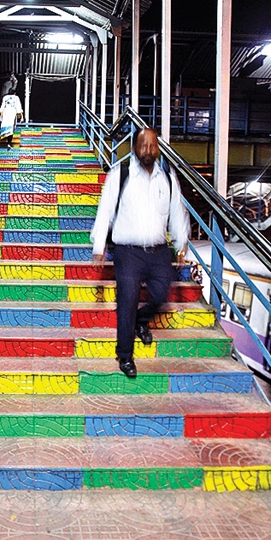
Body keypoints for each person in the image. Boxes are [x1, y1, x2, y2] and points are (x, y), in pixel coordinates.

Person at [90, 128, 190, 378]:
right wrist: (99, 244)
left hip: (158, 251)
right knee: (127, 301)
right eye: (143, 145)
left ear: (158, 148)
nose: (148, 150)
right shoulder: (121, 174)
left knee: (160, 294)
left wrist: (181, 243)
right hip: (128, 252)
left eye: (153, 145)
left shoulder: (167, 176)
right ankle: (125, 355)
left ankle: (140, 320)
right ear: (135, 147)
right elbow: (105, 210)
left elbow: (177, 211)